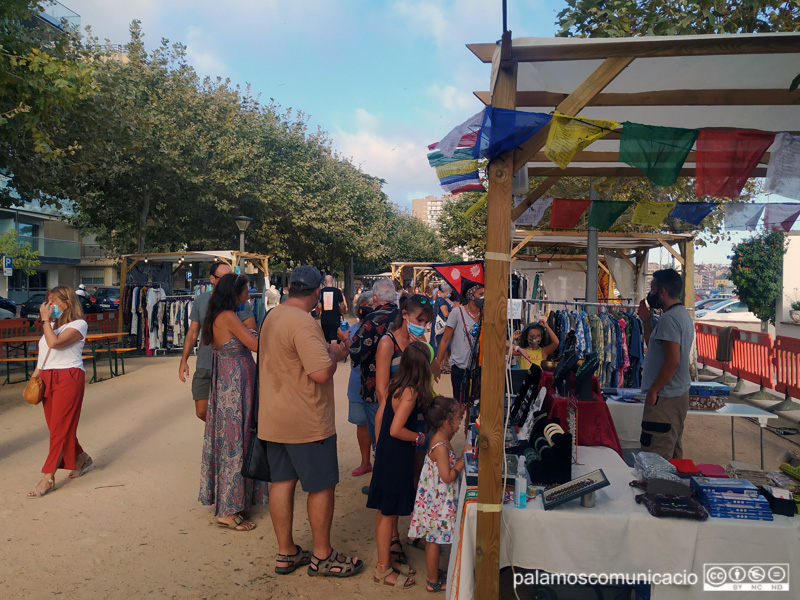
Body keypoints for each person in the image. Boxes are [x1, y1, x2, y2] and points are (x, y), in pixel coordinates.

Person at [259, 265, 363, 577]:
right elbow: (320, 373)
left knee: (282, 482)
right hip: (306, 420)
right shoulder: (303, 323)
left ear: (290, 287)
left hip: (274, 417)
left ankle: (286, 552)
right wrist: (334, 353)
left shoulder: (272, 316)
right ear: (318, 292)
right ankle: (322, 555)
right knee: (321, 486)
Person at [198, 273, 268, 530]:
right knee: (235, 444)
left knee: (235, 442)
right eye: (246, 291)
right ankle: (227, 509)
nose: (248, 295)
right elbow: (255, 344)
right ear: (235, 292)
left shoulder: (220, 315)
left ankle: (235, 501)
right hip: (235, 386)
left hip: (234, 384)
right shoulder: (227, 317)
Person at [367, 342, 435, 589]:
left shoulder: (396, 384)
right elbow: (397, 429)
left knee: (384, 513)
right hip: (396, 457)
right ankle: (383, 569)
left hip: (387, 455)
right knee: (388, 514)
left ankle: (385, 562)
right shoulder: (410, 392)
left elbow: (382, 421)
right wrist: (417, 437)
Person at [374, 294, 435, 563]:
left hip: (418, 419)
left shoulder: (420, 343)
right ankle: (394, 537)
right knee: (396, 481)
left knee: (417, 477)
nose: (423, 325)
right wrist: (388, 429)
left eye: (427, 321)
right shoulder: (387, 343)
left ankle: (414, 530)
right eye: (420, 320)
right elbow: (382, 390)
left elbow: (432, 375)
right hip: (399, 423)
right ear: (405, 315)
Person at [27, 286, 92, 498]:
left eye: (53, 302)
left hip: (69, 377)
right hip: (47, 376)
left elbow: (54, 344)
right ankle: (81, 457)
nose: (49, 306)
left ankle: (48, 477)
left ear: (67, 303)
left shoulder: (79, 324)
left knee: (59, 429)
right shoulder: (53, 325)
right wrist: (35, 377)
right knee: (57, 426)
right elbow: (44, 353)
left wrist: (45, 320)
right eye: (48, 302)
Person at [408, 396, 472, 593]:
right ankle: (432, 580)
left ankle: (434, 574)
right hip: (437, 502)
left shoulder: (441, 437)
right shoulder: (441, 447)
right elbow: (446, 476)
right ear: (447, 422)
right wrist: (463, 460)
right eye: (457, 419)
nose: (460, 421)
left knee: (433, 539)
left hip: (434, 500)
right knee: (433, 540)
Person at [178, 262, 255, 422]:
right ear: (212, 279)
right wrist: (184, 360)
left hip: (228, 367)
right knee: (202, 411)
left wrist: (232, 331)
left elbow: (252, 330)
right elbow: (193, 332)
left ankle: (225, 433)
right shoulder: (202, 300)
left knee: (230, 411)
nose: (229, 281)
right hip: (205, 364)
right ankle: (224, 431)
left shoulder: (239, 303)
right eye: (224, 277)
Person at [637, 268, 695, 460]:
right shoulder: (681, 315)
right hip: (677, 394)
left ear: (662, 291)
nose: (650, 295)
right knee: (673, 452)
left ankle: (657, 491)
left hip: (665, 397)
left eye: (653, 289)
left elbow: (673, 361)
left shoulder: (669, 319)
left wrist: (654, 390)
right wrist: (646, 322)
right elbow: (655, 347)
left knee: (656, 456)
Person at [349, 278, 400, 448]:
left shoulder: (372, 319)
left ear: (375, 300)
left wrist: (345, 339)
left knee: (380, 440)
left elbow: (356, 354)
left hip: (375, 389)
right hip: (403, 387)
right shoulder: (404, 317)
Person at [435, 284, 484, 403]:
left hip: (478, 367)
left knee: (474, 405)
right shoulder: (457, 313)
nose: (484, 298)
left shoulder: (484, 315)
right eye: (481, 295)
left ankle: (468, 422)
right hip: (459, 367)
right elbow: (445, 340)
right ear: (471, 296)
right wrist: (437, 364)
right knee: (459, 403)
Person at [347, 292, 375, 477]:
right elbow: (345, 352)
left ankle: (380, 464)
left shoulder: (383, 327)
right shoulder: (353, 329)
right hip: (357, 385)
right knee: (361, 424)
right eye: (366, 306)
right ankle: (365, 462)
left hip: (377, 386)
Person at [317, 275, 347, 343]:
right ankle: (334, 352)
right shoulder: (337, 291)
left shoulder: (321, 292)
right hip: (335, 318)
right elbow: (342, 306)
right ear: (332, 281)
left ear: (324, 282)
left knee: (326, 339)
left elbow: (319, 306)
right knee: (334, 338)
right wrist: (341, 312)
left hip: (324, 318)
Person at [431, 283, 453, 363]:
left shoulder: (438, 299)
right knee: (442, 345)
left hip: (438, 325)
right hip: (442, 326)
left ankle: (441, 364)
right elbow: (446, 314)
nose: (450, 294)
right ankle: (440, 365)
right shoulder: (442, 301)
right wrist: (454, 313)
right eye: (450, 292)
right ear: (446, 291)